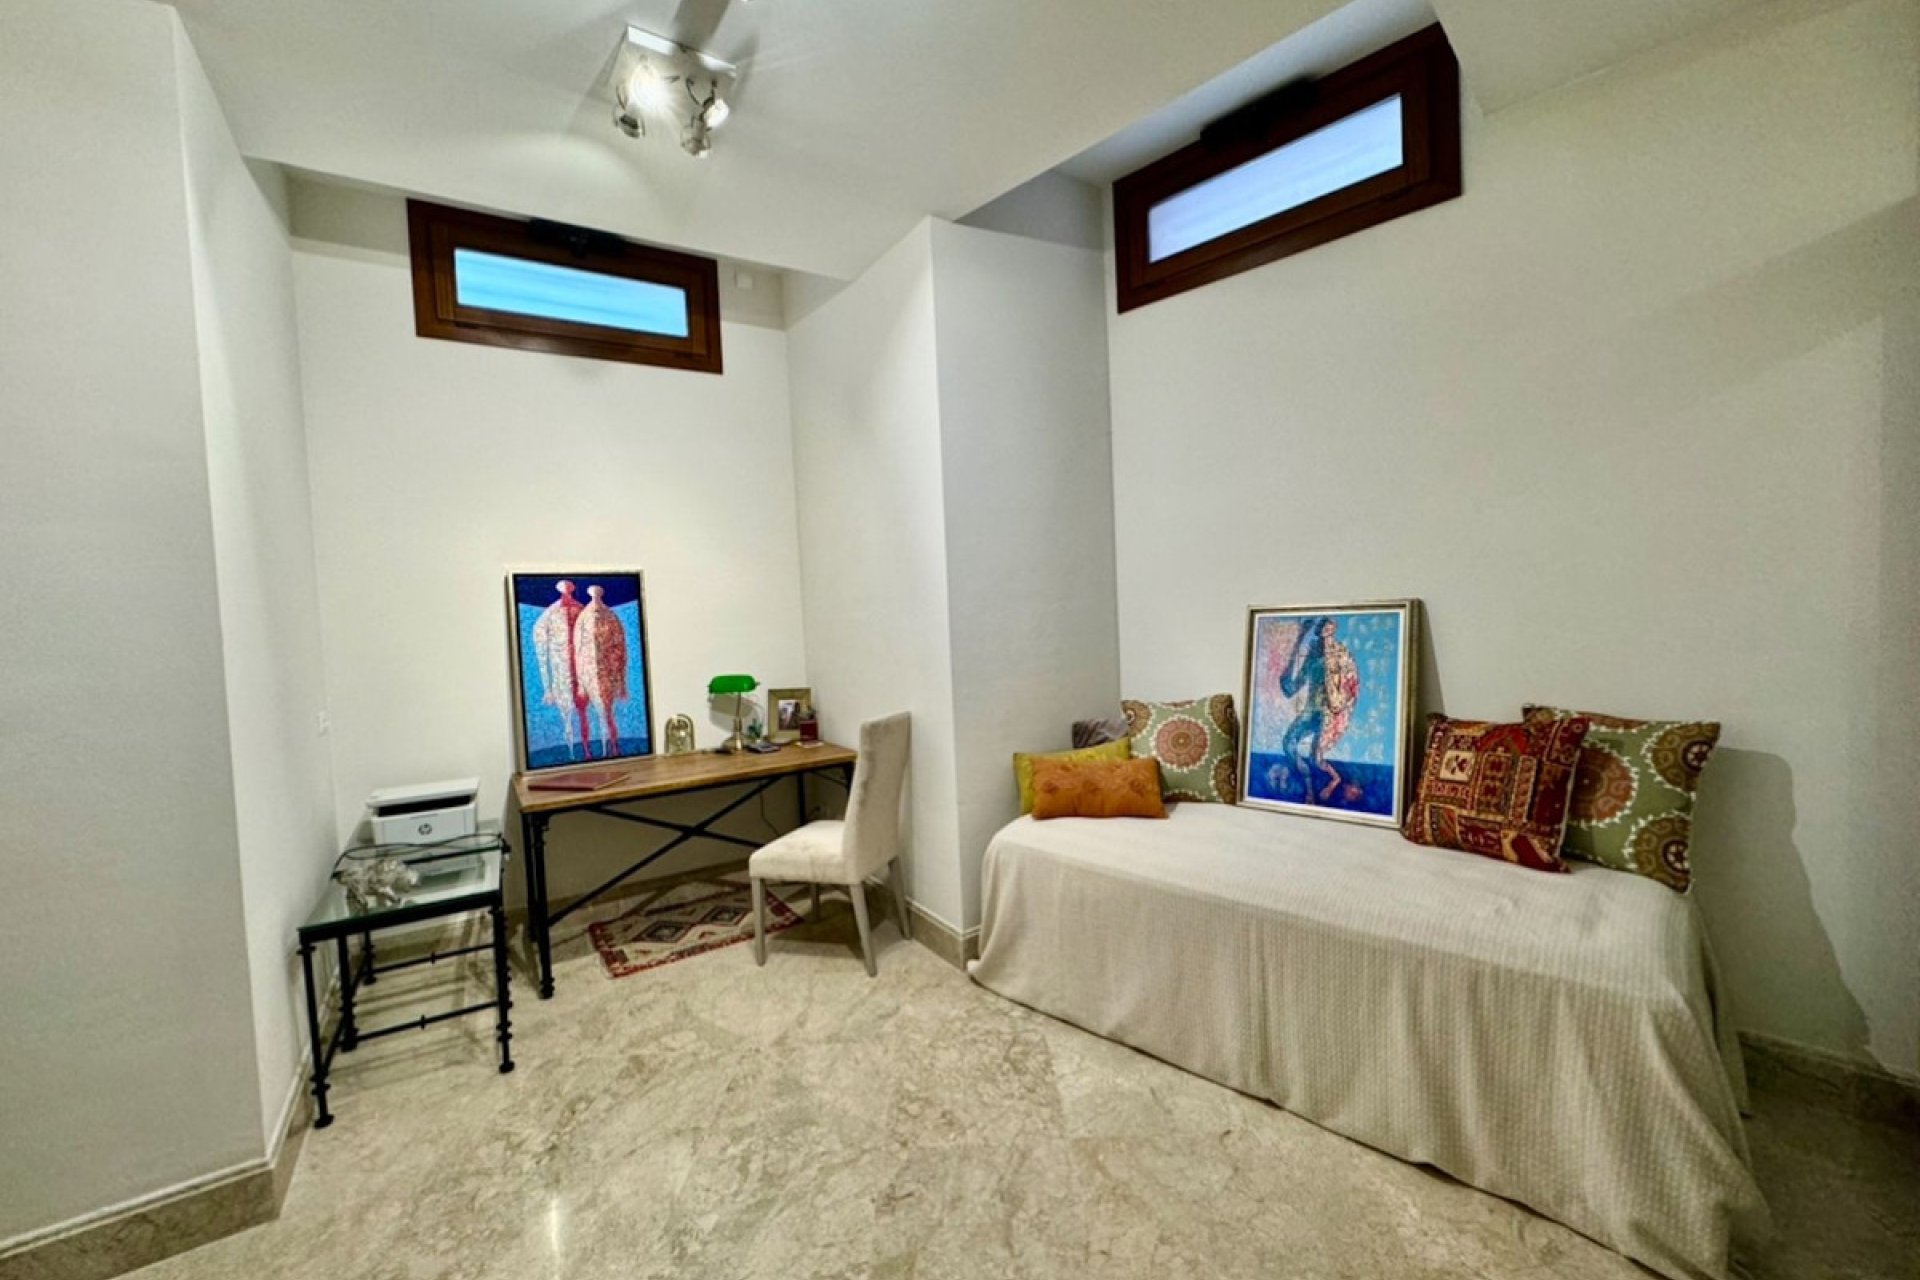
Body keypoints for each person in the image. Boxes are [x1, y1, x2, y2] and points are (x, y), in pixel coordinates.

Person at [1278, 617, 1361, 803]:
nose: (1323, 627)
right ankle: (1309, 788)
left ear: (1333, 629)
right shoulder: (1313, 654)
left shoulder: (1341, 654)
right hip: (1311, 709)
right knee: (1288, 744)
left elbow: (1350, 686)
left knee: (1315, 758)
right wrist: (1298, 641)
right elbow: (1293, 686)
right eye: (1321, 624)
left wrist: (1339, 706)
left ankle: (1334, 780)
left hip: (1328, 711)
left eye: (1327, 625)